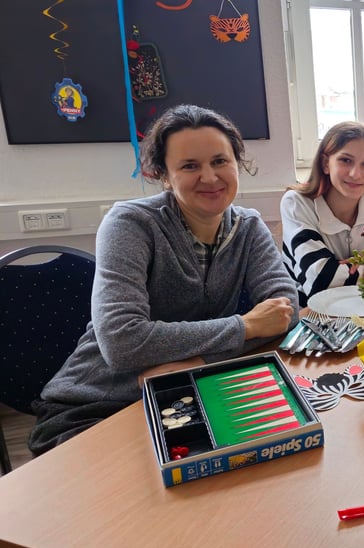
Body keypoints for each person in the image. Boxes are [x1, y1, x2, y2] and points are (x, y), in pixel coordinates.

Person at [28, 104, 299, 455]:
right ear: (165, 176)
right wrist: (244, 328)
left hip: (191, 390)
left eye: (220, 161)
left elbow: (282, 312)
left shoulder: (248, 227)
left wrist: (196, 363)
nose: (210, 177)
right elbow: (122, 342)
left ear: (237, 163)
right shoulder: (130, 223)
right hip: (96, 407)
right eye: (190, 166)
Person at [280, 121, 364, 306]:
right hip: (311, 315)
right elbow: (322, 283)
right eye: (345, 160)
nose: (356, 174)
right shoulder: (297, 203)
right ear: (325, 163)